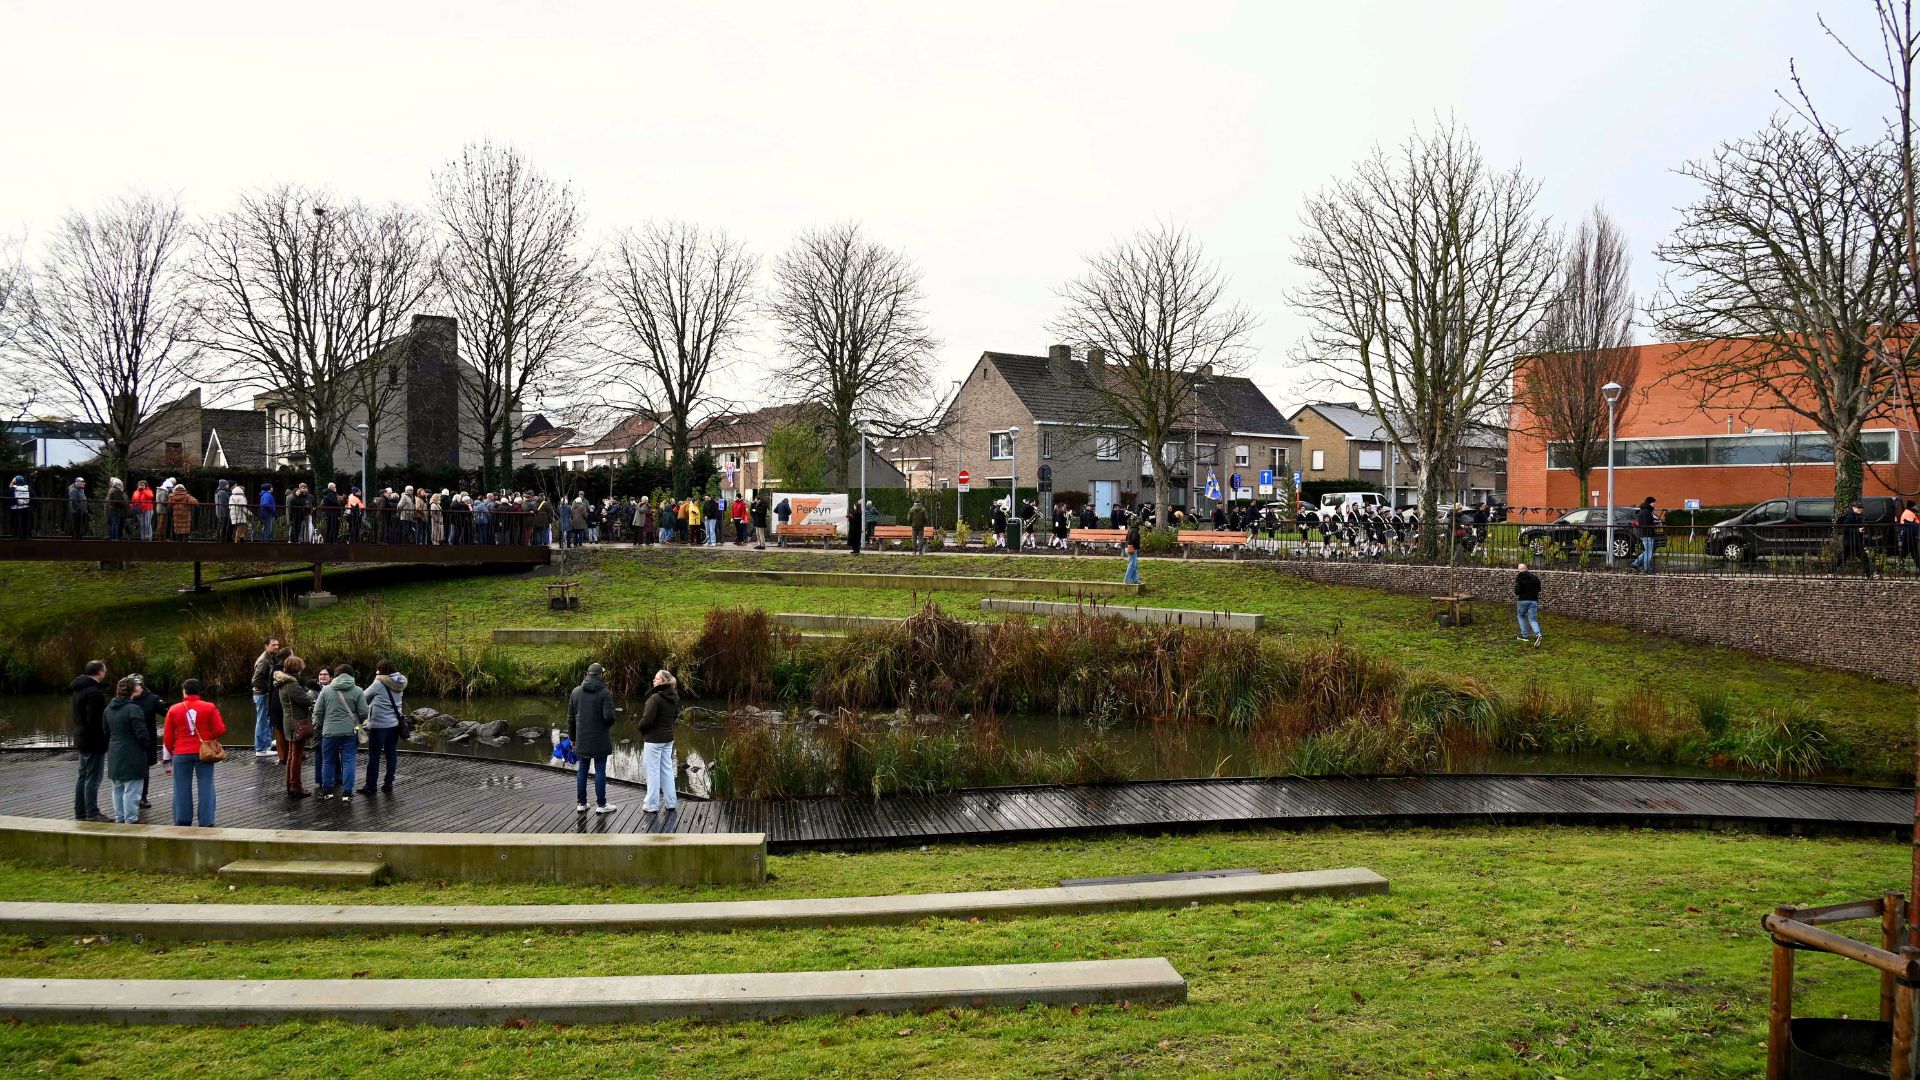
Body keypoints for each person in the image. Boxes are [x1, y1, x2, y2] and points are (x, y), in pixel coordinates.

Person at [163, 680, 224, 827]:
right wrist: (208, 738)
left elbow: (167, 737)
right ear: (199, 691)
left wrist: (172, 750)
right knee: (206, 785)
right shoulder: (209, 707)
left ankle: (182, 820)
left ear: (184, 691)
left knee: (181, 787)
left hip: (181, 752)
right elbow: (220, 729)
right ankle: (206, 820)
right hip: (204, 752)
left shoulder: (174, 709)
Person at [568, 662, 619, 815]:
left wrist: (572, 738)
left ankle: (582, 804)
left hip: (581, 739)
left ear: (587, 674)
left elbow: (570, 718)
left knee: (582, 769)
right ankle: (601, 805)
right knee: (600, 770)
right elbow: (609, 718)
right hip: (600, 739)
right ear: (600, 675)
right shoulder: (605, 693)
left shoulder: (576, 692)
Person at [313, 664, 367, 800]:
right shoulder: (358, 690)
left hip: (329, 732)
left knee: (328, 761)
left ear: (335, 675)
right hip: (350, 732)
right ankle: (347, 793)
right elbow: (364, 712)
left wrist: (321, 725)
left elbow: (318, 712)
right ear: (351, 675)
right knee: (349, 761)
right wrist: (357, 722)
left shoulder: (326, 691)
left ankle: (327, 792)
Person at [104, 677, 152, 824]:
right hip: (132, 754)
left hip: (114, 753)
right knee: (132, 790)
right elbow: (141, 734)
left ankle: (120, 818)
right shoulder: (134, 709)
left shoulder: (108, 709)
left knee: (117, 789)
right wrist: (147, 746)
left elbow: (106, 731)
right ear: (133, 690)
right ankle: (131, 820)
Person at [70, 659, 109, 820]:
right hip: (94, 740)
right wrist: (104, 738)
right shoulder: (94, 693)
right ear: (99, 672)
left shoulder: (78, 689)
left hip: (81, 736)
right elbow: (96, 720)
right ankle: (92, 812)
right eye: (104, 670)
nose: (105, 673)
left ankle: (80, 812)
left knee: (83, 776)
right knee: (93, 777)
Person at [361, 659, 407, 795]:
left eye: (377, 669)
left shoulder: (378, 683)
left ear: (380, 671)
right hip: (394, 725)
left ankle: (370, 785)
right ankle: (388, 784)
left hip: (379, 725)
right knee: (391, 754)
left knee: (374, 756)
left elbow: (363, 697)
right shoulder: (401, 682)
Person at [638, 668, 680, 815]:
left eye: (656, 678)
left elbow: (646, 721)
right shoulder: (675, 697)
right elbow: (674, 717)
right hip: (668, 738)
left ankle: (651, 805)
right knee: (667, 770)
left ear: (663, 681)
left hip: (654, 740)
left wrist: (640, 728)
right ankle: (671, 802)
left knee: (653, 772)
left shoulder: (655, 698)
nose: (653, 680)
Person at [274, 656, 315, 797]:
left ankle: (290, 784)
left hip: (289, 721)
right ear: (298, 668)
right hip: (297, 722)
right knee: (296, 755)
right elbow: (306, 701)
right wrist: (311, 692)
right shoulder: (292, 684)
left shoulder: (283, 682)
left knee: (292, 755)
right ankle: (296, 786)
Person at [128, 673, 166, 808]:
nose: (134, 688)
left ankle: (143, 797)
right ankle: (130, 796)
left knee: (144, 769)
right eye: (131, 686)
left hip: (146, 740)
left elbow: (168, 713)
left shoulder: (152, 699)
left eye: (137, 685)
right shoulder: (124, 699)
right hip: (129, 740)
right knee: (130, 768)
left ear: (142, 686)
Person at [250, 637, 282, 759]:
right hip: (262, 695)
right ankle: (261, 749)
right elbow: (256, 680)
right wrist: (268, 690)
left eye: (277, 645)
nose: (276, 647)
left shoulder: (272, 658)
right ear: (266, 646)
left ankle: (267, 743)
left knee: (268, 719)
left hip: (266, 695)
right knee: (262, 720)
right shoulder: (264, 660)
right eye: (273, 645)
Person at [1834, 500, 1877, 577]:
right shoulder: (1850, 516)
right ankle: (1869, 574)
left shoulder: (1857, 516)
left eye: (1861, 508)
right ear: (1853, 508)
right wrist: (1857, 530)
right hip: (1850, 542)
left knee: (1862, 558)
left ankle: (1869, 574)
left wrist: (1863, 529)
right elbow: (1844, 528)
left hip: (1855, 541)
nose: (1860, 509)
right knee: (1843, 558)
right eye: (1858, 508)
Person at [1514, 562, 1543, 647]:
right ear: (1527, 569)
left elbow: (1516, 592)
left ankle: (1525, 636)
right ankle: (1538, 634)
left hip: (1522, 601)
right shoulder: (1535, 578)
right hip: (1533, 601)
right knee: (1533, 619)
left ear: (1519, 571)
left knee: (1521, 616)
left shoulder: (1519, 578)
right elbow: (1539, 589)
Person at [1631, 496, 1657, 573]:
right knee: (1649, 552)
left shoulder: (1643, 510)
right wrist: (1652, 526)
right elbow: (1646, 524)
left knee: (1647, 551)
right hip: (1647, 534)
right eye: (1653, 503)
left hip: (1645, 534)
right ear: (1650, 503)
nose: (1654, 504)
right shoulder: (1646, 512)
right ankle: (1647, 569)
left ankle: (1635, 564)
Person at [8, 474, 30, 539]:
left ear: (15, 481)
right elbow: (34, 496)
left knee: (16, 523)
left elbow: (8, 495)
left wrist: (11, 484)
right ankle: (25, 537)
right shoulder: (28, 487)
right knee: (25, 523)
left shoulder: (13, 488)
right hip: (26, 507)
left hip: (15, 508)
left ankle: (16, 536)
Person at [1123, 518, 1142, 585]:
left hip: (1127, 547)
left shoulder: (1130, 529)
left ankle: (1135, 579)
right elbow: (1134, 540)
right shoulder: (1135, 531)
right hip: (1132, 548)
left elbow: (1126, 538)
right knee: (1132, 565)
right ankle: (1127, 579)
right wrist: (1137, 547)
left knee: (1134, 564)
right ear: (1139, 525)